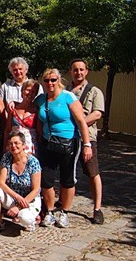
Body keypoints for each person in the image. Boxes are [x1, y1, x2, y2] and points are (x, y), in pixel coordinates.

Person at [35, 68, 91, 228]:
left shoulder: (68, 97)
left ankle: (64, 212)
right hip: (47, 143)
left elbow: (81, 121)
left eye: (53, 80)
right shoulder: (41, 99)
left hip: (68, 142)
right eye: (46, 80)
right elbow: (35, 115)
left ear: (59, 80)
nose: (50, 83)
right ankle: (50, 211)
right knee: (46, 179)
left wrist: (87, 144)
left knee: (67, 178)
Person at [66, 59, 105, 224]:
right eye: (75, 70)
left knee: (92, 172)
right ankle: (64, 203)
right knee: (66, 172)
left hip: (87, 138)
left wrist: (80, 123)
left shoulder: (94, 91)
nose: (78, 73)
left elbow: (97, 114)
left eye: (81, 69)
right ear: (71, 72)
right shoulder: (65, 91)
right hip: (68, 138)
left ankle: (97, 208)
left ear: (86, 71)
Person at [0, 132, 42, 234]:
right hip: (13, 196)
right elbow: (1, 183)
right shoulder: (6, 158)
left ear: (24, 145)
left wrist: (19, 206)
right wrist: (17, 198)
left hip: (29, 199)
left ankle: (31, 219)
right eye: (10, 144)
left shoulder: (33, 162)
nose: (13, 146)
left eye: (17, 143)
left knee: (24, 219)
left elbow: (36, 189)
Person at [3, 79, 40, 154]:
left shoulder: (37, 110)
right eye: (28, 90)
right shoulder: (13, 108)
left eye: (33, 92)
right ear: (22, 91)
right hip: (13, 145)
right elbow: (7, 129)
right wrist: (4, 147)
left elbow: (39, 131)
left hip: (29, 146)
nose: (30, 93)